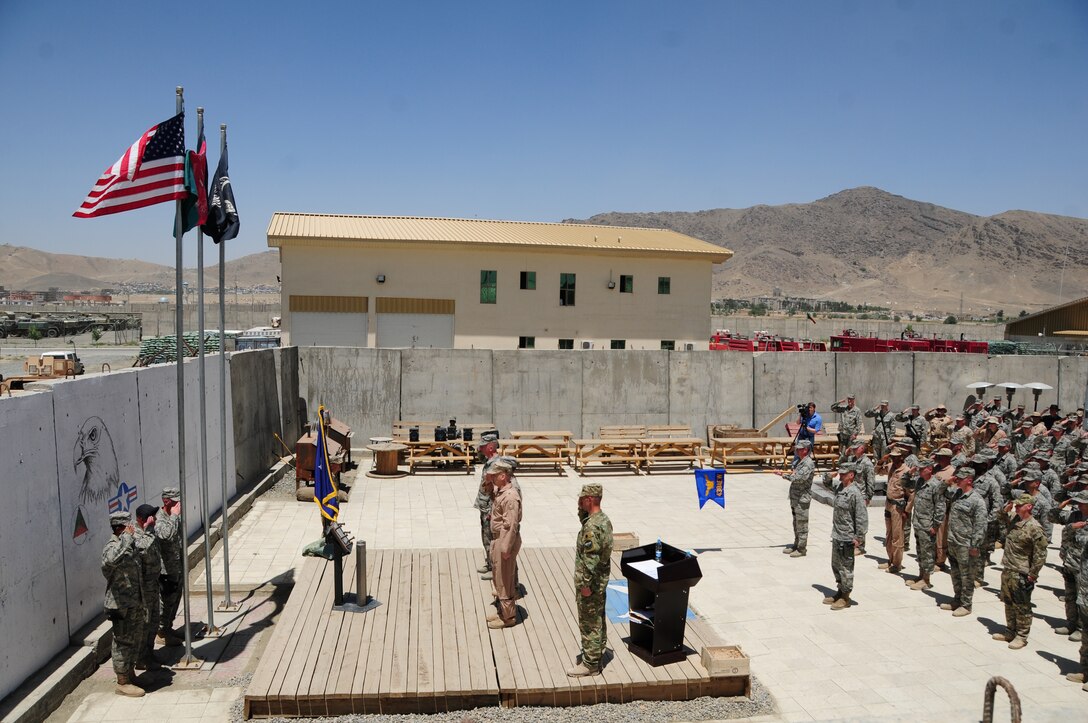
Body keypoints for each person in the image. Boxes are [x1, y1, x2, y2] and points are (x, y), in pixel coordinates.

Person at [567, 483, 614, 678]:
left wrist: (585, 584)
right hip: (600, 582)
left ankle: (590, 664)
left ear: (589, 499)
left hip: (591, 584)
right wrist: (581, 509)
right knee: (597, 619)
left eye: (582, 499)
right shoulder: (602, 520)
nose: (580, 502)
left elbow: (590, 559)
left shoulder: (593, 527)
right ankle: (597, 652)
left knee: (590, 622)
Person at [993, 495, 1048, 649]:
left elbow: (1041, 553)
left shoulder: (1034, 527)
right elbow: (1000, 517)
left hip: (1022, 572)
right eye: (1015, 506)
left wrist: (1033, 573)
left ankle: (1022, 636)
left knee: (1022, 605)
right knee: (1008, 602)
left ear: (1029, 506)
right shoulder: (1015, 520)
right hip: (1009, 568)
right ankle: (1010, 631)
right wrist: (1006, 509)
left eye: (1019, 505)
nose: (1016, 508)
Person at [102, 510, 147, 697]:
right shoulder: (112, 546)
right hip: (120, 604)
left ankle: (130, 673)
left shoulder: (128, 543)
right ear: (120, 528)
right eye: (128, 526)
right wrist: (126, 539)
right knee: (122, 642)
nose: (132, 528)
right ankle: (122, 681)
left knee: (135, 638)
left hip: (134, 601)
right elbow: (110, 561)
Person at [940, 467, 987, 617]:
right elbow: (940, 492)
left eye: (960, 478)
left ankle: (966, 605)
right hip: (953, 541)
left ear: (969, 480)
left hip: (966, 545)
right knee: (955, 574)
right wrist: (946, 483)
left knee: (967, 576)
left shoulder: (976, 500)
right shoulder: (956, 494)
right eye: (957, 477)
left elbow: (981, 525)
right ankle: (957, 599)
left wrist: (975, 545)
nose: (957, 480)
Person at [819, 462, 867, 610]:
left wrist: (858, 538)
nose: (840, 475)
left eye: (843, 473)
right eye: (840, 473)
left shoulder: (855, 493)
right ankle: (840, 591)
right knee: (836, 565)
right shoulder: (841, 488)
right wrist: (830, 475)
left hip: (847, 537)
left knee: (846, 568)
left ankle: (845, 597)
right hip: (837, 534)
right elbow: (826, 483)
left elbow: (861, 517)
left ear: (851, 475)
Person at [487, 459, 522, 629]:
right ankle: (503, 611)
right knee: (499, 577)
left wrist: (506, 548)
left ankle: (508, 617)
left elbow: (511, 525)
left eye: (495, 475)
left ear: (502, 476)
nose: (491, 477)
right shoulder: (502, 491)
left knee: (505, 580)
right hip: (498, 538)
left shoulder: (510, 497)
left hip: (504, 539)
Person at [1052, 490, 1088, 642]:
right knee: (1070, 596)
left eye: (1082, 503)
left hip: (1084, 566)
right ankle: (1071, 623)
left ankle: (1082, 628)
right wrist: (1062, 505)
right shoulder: (1074, 516)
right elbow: (1051, 517)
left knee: (1083, 599)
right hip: (1070, 561)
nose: (1079, 505)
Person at [133, 504, 163, 670]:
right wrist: (149, 530)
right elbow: (143, 549)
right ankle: (141, 658)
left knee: (154, 621)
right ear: (140, 520)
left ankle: (149, 653)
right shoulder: (136, 534)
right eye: (150, 517)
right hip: (143, 588)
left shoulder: (149, 531)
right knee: (144, 624)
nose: (154, 519)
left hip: (153, 584)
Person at [774, 439, 815, 557]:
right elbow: (795, 474)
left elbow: (798, 479)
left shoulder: (808, 463)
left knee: (802, 524)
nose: (797, 450)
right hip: (796, 497)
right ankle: (796, 544)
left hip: (802, 498)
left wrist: (783, 475)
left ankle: (802, 549)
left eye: (800, 449)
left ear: (806, 450)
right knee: (796, 523)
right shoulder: (801, 462)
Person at [154, 487, 184, 646]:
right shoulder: (160, 518)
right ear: (166, 501)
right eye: (176, 501)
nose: (179, 504)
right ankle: (161, 632)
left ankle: (168, 627)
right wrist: (174, 516)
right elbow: (165, 535)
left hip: (176, 565)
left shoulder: (173, 516)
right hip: (166, 569)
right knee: (166, 601)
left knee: (176, 597)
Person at [909, 459, 944, 590]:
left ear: (930, 469)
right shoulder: (920, 481)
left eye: (922, 469)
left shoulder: (936, 485)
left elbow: (940, 507)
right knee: (920, 551)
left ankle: (926, 579)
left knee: (927, 553)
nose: (919, 471)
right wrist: (909, 473)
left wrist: (935, 526)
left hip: (928, 525)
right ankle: (920, 575)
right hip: (918, 522)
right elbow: (904, 483)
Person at [473, 432, 500, 581]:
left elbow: (497, 490)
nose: (480, 449)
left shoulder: (496, 465)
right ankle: (489, 564)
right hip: (484, 507)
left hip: (489, 509)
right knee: (485, 538)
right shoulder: (489, 461)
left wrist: (492, 511)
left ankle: (495, 569)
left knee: (492, 540)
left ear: (490, 447)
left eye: (483, 446)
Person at [881, 449, 910, 574]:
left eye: (895, 456)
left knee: (897, 536)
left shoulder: (906, 471)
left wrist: (907, 511)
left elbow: (911, 494)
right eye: (892, 456)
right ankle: (890, 559)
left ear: (901, 457)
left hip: (898, 507)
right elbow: (877, 470)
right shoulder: (890, 467)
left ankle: (897, 563)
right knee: (889, 534)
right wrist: (883, 459)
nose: (893, 458)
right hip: (888, 504)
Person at [850, 440, 875, 555]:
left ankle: (860, 546)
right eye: (853, 448)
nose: (854, 450)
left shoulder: (867, 463)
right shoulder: (852, 460)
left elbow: (870, 481)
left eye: (856, 448)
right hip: (851, 495)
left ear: (862, 448)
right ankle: (852, 542)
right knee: (851, 520)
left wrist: (868, 497)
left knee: (860, 522)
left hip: (861, 496)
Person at [830, 395, 864, 460]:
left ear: (854, 400)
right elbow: (832, 408)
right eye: (848, 399)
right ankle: (842, 466)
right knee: (841, 452)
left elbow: (859, 424)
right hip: (843, 434)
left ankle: (850, 466)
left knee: (850, 451)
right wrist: (839, 402)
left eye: (851, 399)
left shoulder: (857, 410)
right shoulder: (843, 408)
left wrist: (855, 434)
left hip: (851, 435)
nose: (849, 401)